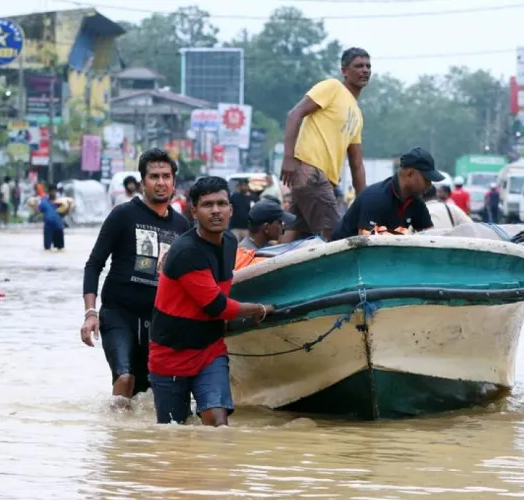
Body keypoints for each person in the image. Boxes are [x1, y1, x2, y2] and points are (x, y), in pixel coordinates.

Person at [148, 176, 273, 426]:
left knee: (218, 427)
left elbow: (224, 289)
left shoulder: (229, 242)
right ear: (194, 210)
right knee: (174, 434)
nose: (216, 211)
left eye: (221, 203)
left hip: (210, 350)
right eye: (207, 205)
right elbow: (217, 306)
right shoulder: (187, 252)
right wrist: (258, 309)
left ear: (231, 209)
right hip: (170, 354)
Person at [80, 148, 191, 408]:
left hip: (159, 321)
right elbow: (94, 264)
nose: (161, 182)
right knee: (125, 376)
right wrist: (90, 313)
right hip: (119, 314)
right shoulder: (123, 215)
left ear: (174, 181)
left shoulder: (182, 226)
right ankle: (117, 436)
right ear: (143, 182)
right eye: (154, 176)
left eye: (166, 176)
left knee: (149, 394)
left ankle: (138, 444)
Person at [279, 47, 371, 242]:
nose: (365, 70)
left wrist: (364, 201)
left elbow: (356, 163)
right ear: (344, 70)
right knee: (337, 236)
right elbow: (294, 114)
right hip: (311, 171)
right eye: (359, 66)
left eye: (368, 66)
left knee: (295, 236)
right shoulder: (332, 88)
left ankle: (266, 268)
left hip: (323, 180)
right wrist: (288, 158)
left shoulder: (357, 113)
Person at [330, 147, 441, 240]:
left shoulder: (416, 203)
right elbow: (365, 245)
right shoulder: (375, 199)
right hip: (343, 258)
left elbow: (430, 238)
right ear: (410, 174)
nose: (429, 185)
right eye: (427, 180)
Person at [39, 185, 65, 251]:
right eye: (51, 191)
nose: (53, 193)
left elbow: (64, 213)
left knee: (60, 249)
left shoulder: (60, 202)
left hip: (58, 227)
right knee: (47, 248)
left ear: (56, 192)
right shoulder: (44, 202)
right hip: (48, 228)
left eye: (54, 191)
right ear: (49, 192)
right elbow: (38, 210)